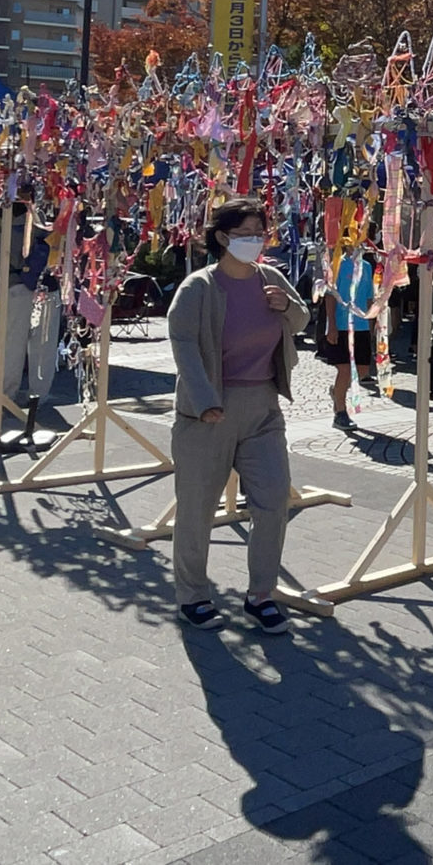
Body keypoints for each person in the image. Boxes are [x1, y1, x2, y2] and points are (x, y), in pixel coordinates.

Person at [163, 199, 311, 633]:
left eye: (260, 233)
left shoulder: (271, 278)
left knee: (272, 501)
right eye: (246, 233)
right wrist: (205, 399)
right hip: (208, 411)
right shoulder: (198, 288)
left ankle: (261, 594)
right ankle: (193, 595)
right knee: (197, 509)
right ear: (223, 238)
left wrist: (287, 306)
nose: (256, 241)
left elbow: (301, 319)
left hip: (263, 407)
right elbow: (183, 344)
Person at [0, 203, 62, 414]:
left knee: (12, 344)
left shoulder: (10, 231)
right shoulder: (54, 232)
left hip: (18, 289)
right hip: (50, 291)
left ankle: (6, 394)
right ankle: (39, 395)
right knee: (44, 345)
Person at [319, 244, 378, 431]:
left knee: (361, 370)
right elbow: (329, 297)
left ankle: (337, 392)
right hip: (342, 325)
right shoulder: (337, 264)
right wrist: (332, 326)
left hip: (361, 326)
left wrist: (371, 323)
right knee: (345, 370)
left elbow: (369, 297)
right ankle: (340, 413)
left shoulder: (367, 267)